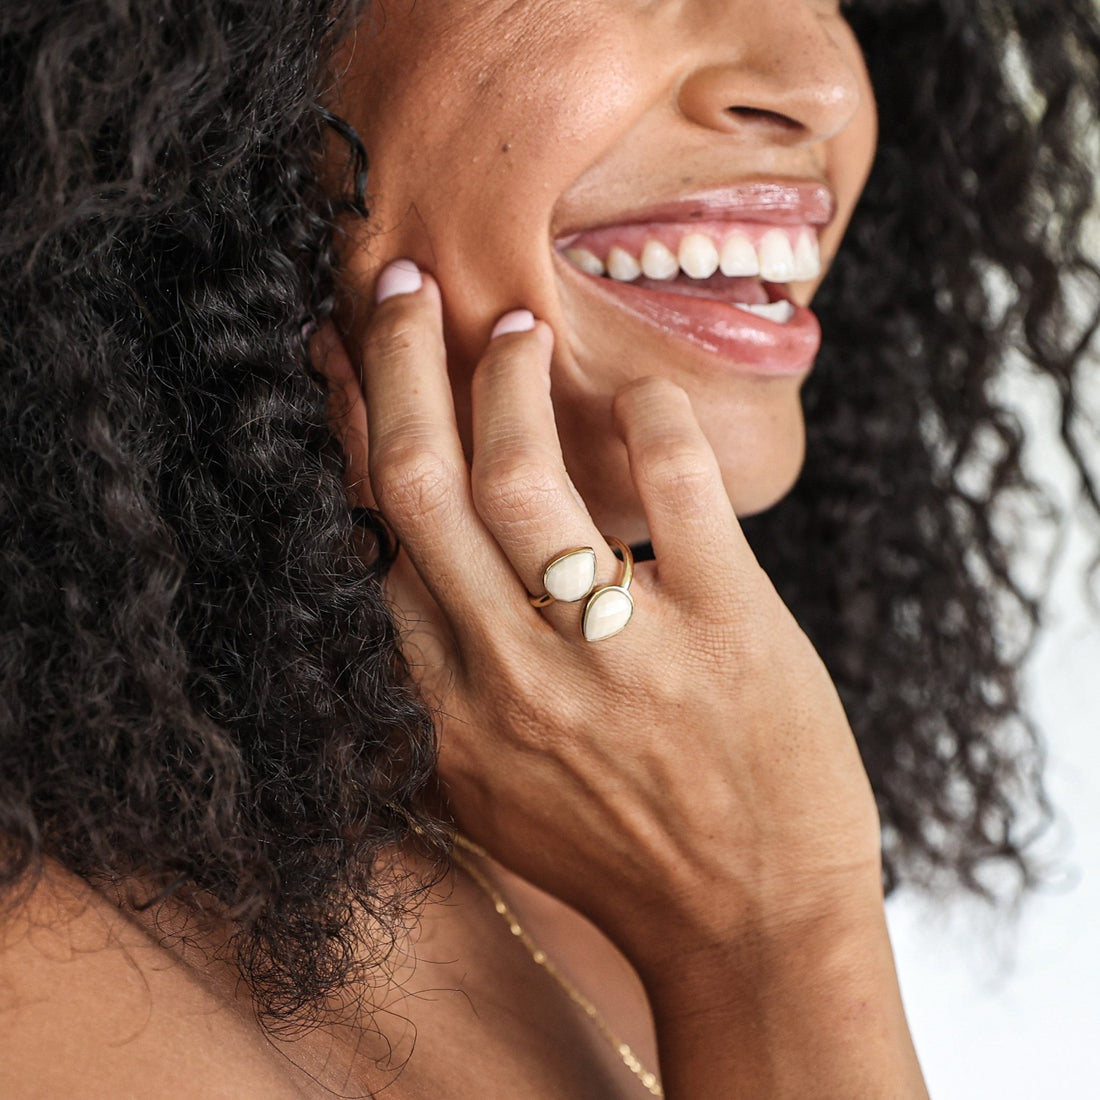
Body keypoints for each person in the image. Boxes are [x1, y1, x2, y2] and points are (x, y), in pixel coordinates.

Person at [1, 1, 1097, 1096]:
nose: (820, 85)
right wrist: (777, 934)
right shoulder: (44, 989)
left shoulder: (604, 814)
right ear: (220, 66)